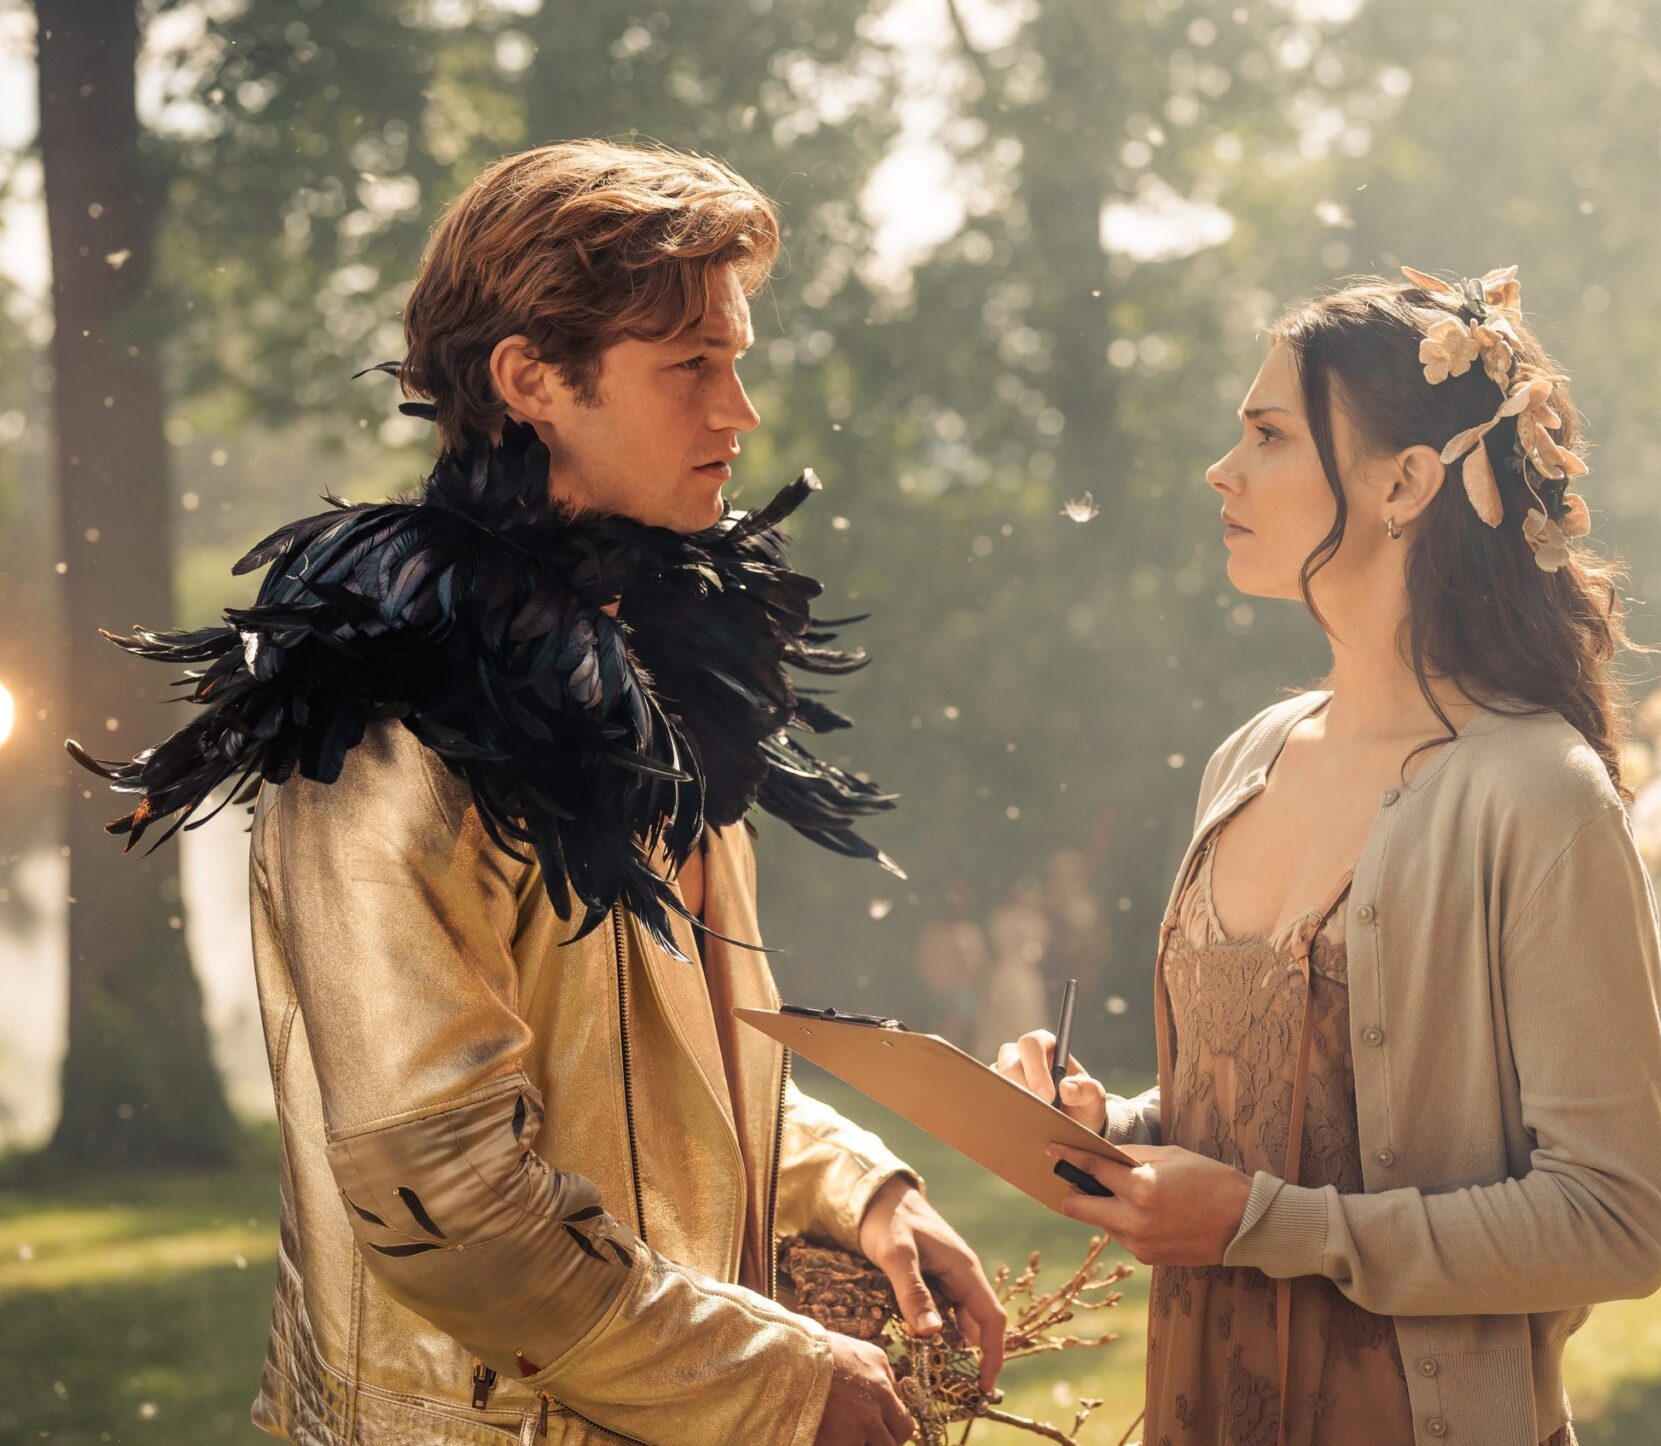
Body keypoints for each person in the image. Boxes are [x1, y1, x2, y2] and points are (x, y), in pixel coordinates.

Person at [71, 139, 1004, 1446]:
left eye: (737, 362)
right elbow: (443, 1194)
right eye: (692, 366)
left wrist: (862, 1193)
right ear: (530, 381)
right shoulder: (395, 716)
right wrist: (779, 1380)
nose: (738, 412)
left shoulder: (659, 674)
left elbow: (673, 1073)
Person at [995, 267, 1661, 1444]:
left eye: (1268, 435)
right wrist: (1120, 1133)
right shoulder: (1248, 758)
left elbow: (1615, 1223)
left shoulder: (1535, 796)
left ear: (1404, 482)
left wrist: (1266, 1227)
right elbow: (1273, 1129)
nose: (1222, 470)